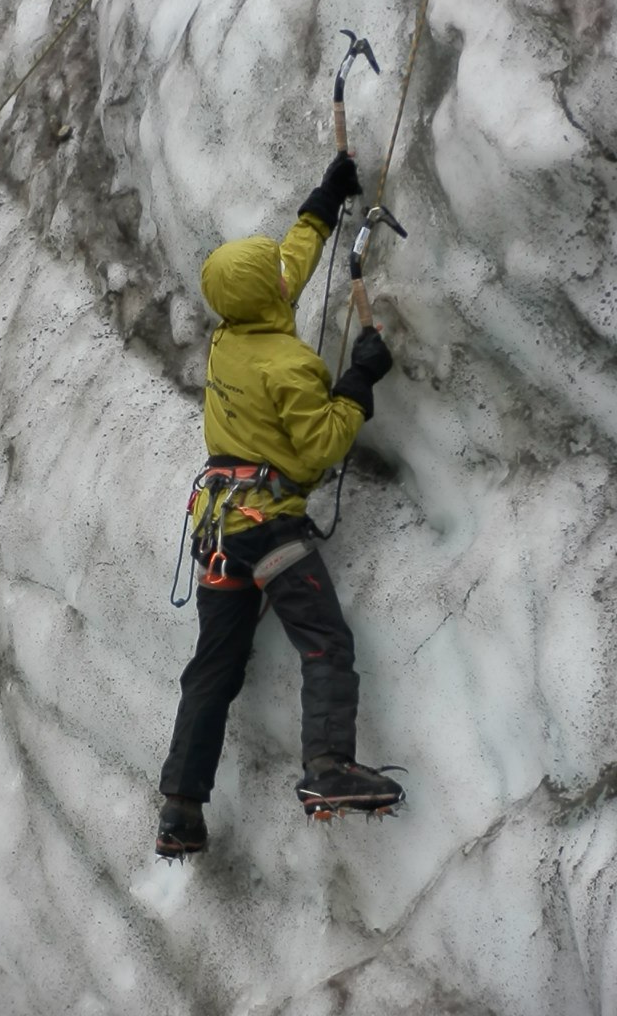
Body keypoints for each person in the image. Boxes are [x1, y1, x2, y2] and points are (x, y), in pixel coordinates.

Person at [156, 154, 405, 859]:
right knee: (325, 641)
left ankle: (179, 810)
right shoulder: (287, 364)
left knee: (213, 671)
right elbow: (317, 449)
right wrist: (358, 381)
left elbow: (287, 263)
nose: (283, 276)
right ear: (270, 295)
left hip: (220, 533)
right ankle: (328, 768)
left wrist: (324, 199)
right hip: (270, 529)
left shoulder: (229, 337)